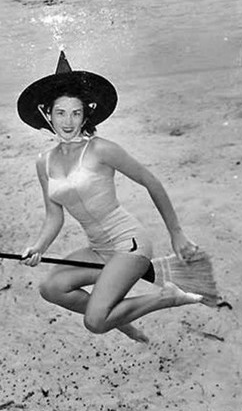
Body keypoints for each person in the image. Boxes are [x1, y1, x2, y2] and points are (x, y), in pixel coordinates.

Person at [17, 51, 211, 343]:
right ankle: (119, 317)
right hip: (98, 249)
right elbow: (54, 215)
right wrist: (38, 247)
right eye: (61, 113)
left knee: (94, 322)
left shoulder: (101, 149)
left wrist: (177, 233)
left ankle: (167, 296)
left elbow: (150, 181)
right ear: (48, 114)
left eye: (76, 113)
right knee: (51, 288)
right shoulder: (43, 162)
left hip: (129, 245)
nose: (68, 121)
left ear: (85, 115)